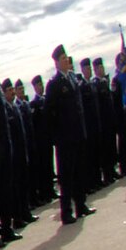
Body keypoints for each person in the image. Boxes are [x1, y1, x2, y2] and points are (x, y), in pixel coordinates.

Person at [46, 47, 94, 225]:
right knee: (66, 176)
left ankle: (81, 205)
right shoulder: (54, 84)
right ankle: (66, 212)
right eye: (64, 58)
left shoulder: (73, 78)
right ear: (57, 62)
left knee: (80, 171)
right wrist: (57, 136)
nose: (67, 61)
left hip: (78, 134)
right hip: (65, 138)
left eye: (67, 58)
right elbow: (49, 113)